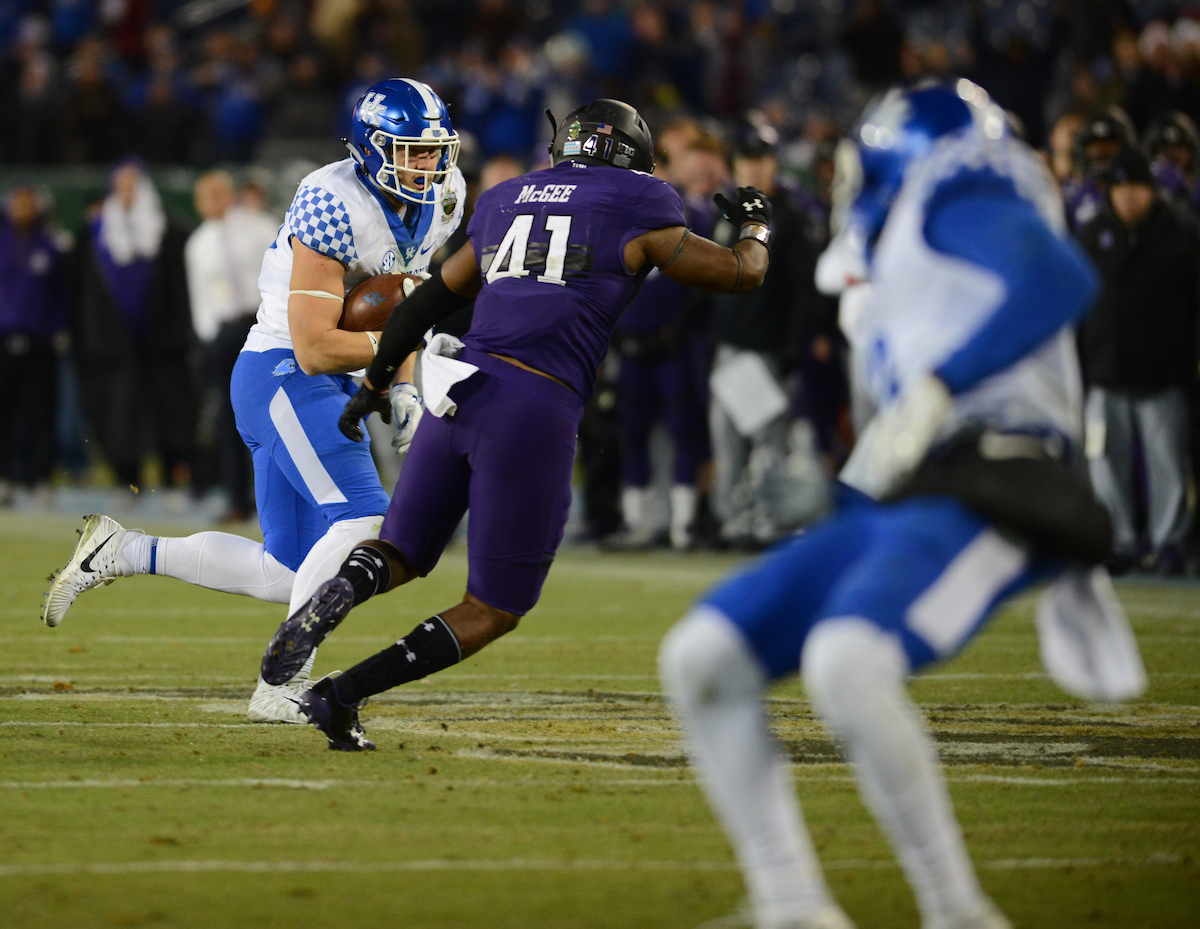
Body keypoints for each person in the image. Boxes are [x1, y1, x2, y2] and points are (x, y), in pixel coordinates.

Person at [658, 81, 1146, 929]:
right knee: (701, 658)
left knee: (848, 661)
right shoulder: (905, 250)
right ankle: (792, 906)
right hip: (919, 489)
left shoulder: (956, 193)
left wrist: (938, 385)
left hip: (1003, 482)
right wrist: (842, 485)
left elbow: (1058, 279)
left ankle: (958, 912)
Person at [257, 98, 773, 751]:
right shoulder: (642, 201)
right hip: (534, 406)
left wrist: (375, 383)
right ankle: (342, 691)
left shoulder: (509, 196)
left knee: (401, 551)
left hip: (459, 390)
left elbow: (426, 307)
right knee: (494, 606)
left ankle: (337, 593)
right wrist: (757, 226)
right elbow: (739, 274)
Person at [42, 78, 467, 725]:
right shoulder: (332, 200)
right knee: (365, 519)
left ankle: (121, 550)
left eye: (435, 151)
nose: (427, 166)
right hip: (283, 373)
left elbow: (402, 300)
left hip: (316, 379)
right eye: (411, 151)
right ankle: (280, 684)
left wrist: (404, 381)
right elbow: (316, 346)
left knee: (284, 570)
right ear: (370, 148)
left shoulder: (444, 201)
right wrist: (409, 353)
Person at [1075, 146, 1200, 574]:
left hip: (1162, 374)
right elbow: (1075, 307)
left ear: (1152, 190)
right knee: (1105, 463)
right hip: (1103, 372)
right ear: (1109, 191)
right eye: (1122, 187)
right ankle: (1120, 541)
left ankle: (1169, 543)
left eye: (1138, 187)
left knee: (1167, 463)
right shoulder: (1090, 235)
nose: (1129, 196)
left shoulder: (1182, 234)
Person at [707, 124, 826, 547]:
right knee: (727, 439)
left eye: (761, 158)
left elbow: (804, 287)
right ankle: (736, 521)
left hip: (767, 347)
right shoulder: (729, 210)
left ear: (774, 162)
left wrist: (794, 346)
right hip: (730, 346)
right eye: (746, 159)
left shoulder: (790, 214)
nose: (753, 167)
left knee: (768, 442)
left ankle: (770, 522)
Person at [71, 159, 197, 496]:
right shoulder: (95, 233)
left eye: (133, 185)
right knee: (119, 413)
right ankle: (126, 479)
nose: (126, 193)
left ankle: (174, 478)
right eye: (120, 186)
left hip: (162, 343)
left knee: (170, 409)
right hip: (113, 345)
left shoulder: (170, 229)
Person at [185, 170, 279, 520]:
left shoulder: (259, 226)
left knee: (273, 412)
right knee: (229, 418)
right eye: (205, 197)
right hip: (225, 335)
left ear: (229, 194)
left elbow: (280, 272)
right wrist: (210, 338)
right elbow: (200, 297)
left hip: (261, 324)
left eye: (217, 194)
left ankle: (277, 499)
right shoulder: (198, 243)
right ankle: (238, 500)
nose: (212, 203)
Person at [0, 184, 69, 504]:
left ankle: (40, 477)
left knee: (40, 411)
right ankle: (6, 478)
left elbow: (62, 294)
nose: (23, 209)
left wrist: (57, 330)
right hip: (3, 340)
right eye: (18, 203)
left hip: (40, 341)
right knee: (5, 412)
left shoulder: (52, 245)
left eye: (29, 203)